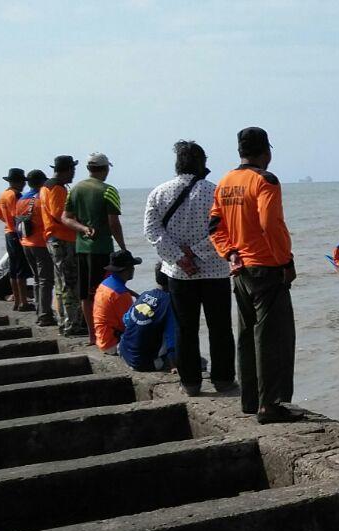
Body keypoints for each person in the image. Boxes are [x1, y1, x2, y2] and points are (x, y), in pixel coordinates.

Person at [209, 126, 299, 424]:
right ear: (266, 152)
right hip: (266, 268)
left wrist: (230, 252)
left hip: (239, 269)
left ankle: (250, 400)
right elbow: (270, 224)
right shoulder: (265, 181)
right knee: (273, 338)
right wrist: (286, 262)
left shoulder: (225, 182)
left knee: (247, 336)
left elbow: (214, 227)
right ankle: (269, 405)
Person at [144, 140, 235, 397]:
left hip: (179, 273)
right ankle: (224, 379)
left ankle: (191, 382)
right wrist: (195, 252)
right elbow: (224, 230)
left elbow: (151, 230)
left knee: (185, 328)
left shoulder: (159, 193)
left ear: (177, 164)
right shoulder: (216, 192)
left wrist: (178, 256)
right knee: (220, 327)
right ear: (203, 164)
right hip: (215, 270)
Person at [65, 152, 127, 345]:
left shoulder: (75, 190)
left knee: (86, 294)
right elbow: (113, 222)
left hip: (82, 248)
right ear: (106, 169)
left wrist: (82, 228)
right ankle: (106, 334)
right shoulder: (108, 190)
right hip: (102, 249)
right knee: (106, 292)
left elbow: (65, 217)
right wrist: (123, 247)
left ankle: (93, 335)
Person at [42, 155, 87, 336]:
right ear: (67, 170)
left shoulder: (46, 186)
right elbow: (59, 215)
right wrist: (81, 223)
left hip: (53, 238)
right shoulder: (57, 188)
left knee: (61, 284)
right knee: (70, 283)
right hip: (62, 239)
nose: (73, 174)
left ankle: (64, 322)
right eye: (73, 170)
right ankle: (71, 324)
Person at [14, 170, 56, 326]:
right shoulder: (42, 198)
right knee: (46, 280)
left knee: (38, 279)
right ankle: (45, 314)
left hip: (26, 243)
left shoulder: (21, 200)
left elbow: (17, 223)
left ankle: (40, 311)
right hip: (41, 243)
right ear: (42, 182)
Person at [119, 263, 179, 372]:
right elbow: (171, 339)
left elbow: (126, 319)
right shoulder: (170, 303)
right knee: (178, 331)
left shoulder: (144, 295)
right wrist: (173, 365)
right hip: (145, 363)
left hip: (125, 353)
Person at [0, 168, 32, 311]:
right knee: (21, 268)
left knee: (14, 269)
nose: (24, 185)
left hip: (8, 232)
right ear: (19, 182)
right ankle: (23, 302)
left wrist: (7, 221)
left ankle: (16, 301)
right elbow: (20, 214)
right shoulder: (16, 195)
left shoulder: (4, 194)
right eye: (23, 182)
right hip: (17, 234)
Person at [91, 250, 142, 354]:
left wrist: (136, 295)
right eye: (132, 267)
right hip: (113, 344)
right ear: (126, 270)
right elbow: (129, 325)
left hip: (102, 338)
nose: (133, 269)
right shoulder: (121, 295)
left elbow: (120, 290)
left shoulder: (105, 284)